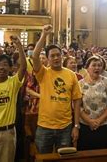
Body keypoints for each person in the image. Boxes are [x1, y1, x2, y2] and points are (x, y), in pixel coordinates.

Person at [32, 25, 82, 153]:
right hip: (44, 126)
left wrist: (76, 126)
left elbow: (77, 101)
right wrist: (44, 35)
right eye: (52, 56)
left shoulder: (71, 74)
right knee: (44, 157)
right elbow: (35, 56)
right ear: (48, 59)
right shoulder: (43, 73)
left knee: (64, 157)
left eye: (58, 55)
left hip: (65, 126)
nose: (56, 58)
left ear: (62, 57)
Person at [77, 56, 107, 150]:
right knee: (85, 151)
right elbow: (77, 105)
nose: (97, 68)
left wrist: (99, 120)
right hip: (85, 124)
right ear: (87, 68)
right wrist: (89, 121)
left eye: (99, 65)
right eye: (94, 65)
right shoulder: (80, 83)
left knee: (102, 151)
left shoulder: (106, 81)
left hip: (103, 124)